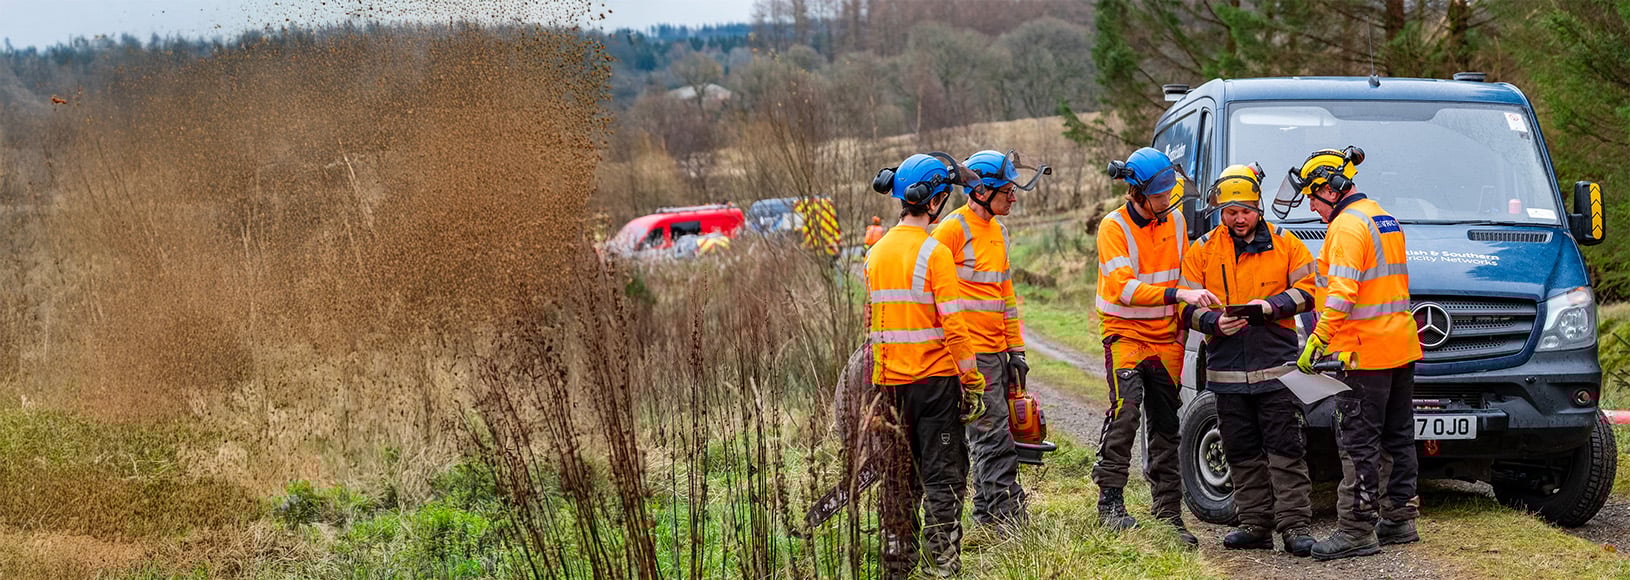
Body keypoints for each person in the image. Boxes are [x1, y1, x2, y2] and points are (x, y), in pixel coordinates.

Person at [1277, 146, 1423, 561]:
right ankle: (1398, 517)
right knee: (1397, 436)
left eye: (1312, 194)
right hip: (1398, 346)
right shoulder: (1383, 218)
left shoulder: (1345, 227)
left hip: (1362, 354)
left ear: (1331, 188)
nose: (1310, 203)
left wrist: (1317, 340)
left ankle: (1357, 528)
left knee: (1358, 441)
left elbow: (1342, 294)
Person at [1178, 164, 1318, 556]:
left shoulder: (1287, 243)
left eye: (1246, 211)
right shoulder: (1202, 249)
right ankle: (1255, 523)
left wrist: (1270, 307)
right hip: (1225, 368)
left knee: (1285, 448)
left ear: (1258, 207)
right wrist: (1213, 322)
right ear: (1220, 211)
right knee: (1240, 449)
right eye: (1231, 212)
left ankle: (1294, 527)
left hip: (1277, 367)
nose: (1239, 219)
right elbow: (1184, 307)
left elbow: (1310, 290)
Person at [866, 152, 989, 578]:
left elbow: (874, 326)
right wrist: (972, 382)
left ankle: (897, 566)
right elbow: (955, 329)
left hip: (889, 385)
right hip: (936, 384)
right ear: (934, 200)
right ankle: (944, 567)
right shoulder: (935, 253)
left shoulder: (875, 254)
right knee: (943, 479)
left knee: (899, 480)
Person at [1093, 147, 1218, 547]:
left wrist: (1182, 326)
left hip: (1166, 338)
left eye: (1169, 191)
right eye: (1161, 193)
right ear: (1137, 193)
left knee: (1167, 425)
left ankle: (1168, 513)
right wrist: (1179, 293)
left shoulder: (1176, 220)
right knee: (1125, 412)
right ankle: (1110, 502)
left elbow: (1186, 272)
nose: (1169, 198)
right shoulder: (1113, 228)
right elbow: (1123, 289)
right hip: (1125, 335)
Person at [931, 149, 1041, 530]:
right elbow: (931, 292)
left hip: (997, 350)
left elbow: (1005, 296)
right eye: (1006, 189)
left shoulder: (1000, 232)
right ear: (981, 191)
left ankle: (986, 514)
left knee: (998, 431)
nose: (1013, 195)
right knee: (993, 436)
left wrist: (1016, 349)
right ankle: (1006, 518)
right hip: (969, 353)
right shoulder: (951, 230)